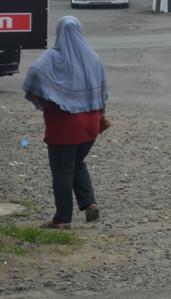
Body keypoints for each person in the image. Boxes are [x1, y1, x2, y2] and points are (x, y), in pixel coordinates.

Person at [21, 16, 107, 229]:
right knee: (77, 162)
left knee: (62, 170)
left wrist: (47, 97)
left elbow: (32, 77)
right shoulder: (93, 58)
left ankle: (62, 218)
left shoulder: (52, 57)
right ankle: (89, 204)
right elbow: (103, 93)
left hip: (64, 126)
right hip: (90, 125)